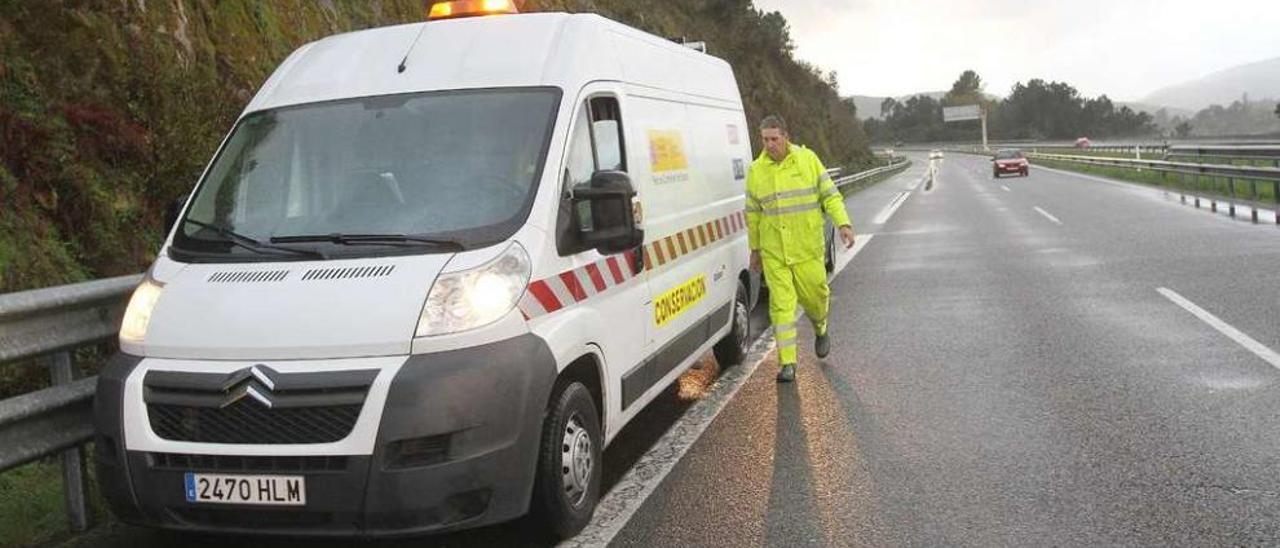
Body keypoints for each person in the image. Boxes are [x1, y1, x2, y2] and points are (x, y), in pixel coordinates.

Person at [744, 115, 855, 383]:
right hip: (775, 253)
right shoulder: (756, 171)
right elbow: (753, 215)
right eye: (765, 139)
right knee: (781, 307)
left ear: (786, 136)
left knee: (815, 297)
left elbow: (830, 195)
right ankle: (788, 364)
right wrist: (756, 250)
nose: (769, 144)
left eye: (774, 138)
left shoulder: (808, 160)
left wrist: (843, 223)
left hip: (806, 249)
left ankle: (821, 327)